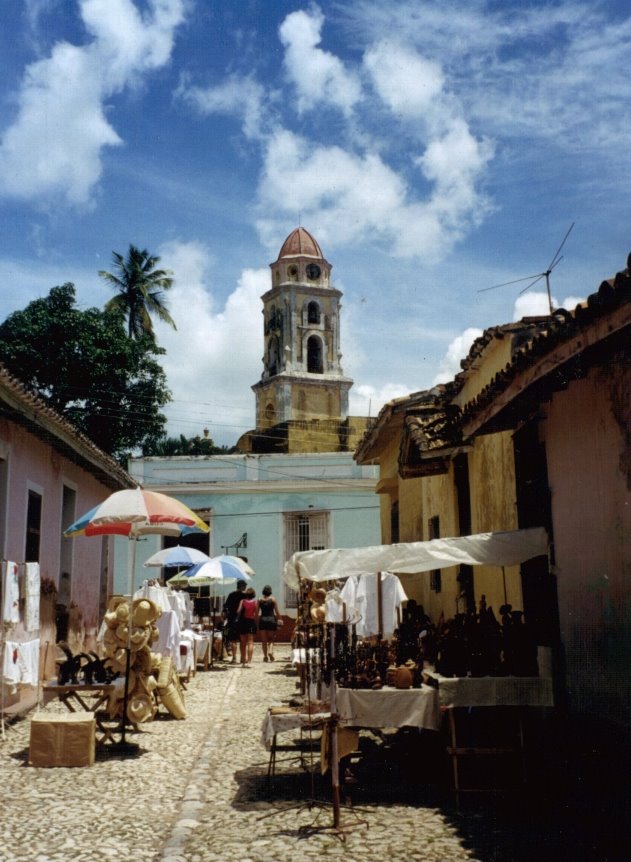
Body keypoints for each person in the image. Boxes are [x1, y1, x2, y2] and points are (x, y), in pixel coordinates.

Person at [223, 579, 246, 663]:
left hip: (232, 619)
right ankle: (243, 658)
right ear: (243, 586)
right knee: (242, 640)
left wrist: (225, 615)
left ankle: (234, 658)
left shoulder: (231, 595)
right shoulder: (245, 596)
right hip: (243, 620)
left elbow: (226, 607)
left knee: (233, 640)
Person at [258, 585, 281, 662]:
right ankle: (270, 651)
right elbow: (277, 612)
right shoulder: (273, 599)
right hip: (271, 620)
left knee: (264, 640)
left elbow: (256, 612)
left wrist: (256, 621)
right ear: (270, 591)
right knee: (271, 639)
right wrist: (280, 619)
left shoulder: (259, 600)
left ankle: (265, 656)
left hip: (263, 619)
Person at [236, 587, 258, 666]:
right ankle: (249, 661)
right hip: (251, 622)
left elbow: (238, 611)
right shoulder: (255, 603)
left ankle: (243, 659)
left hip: (243, 622)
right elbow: (256, 614)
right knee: (250, 642)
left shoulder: (242, 601)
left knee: (242, 643)